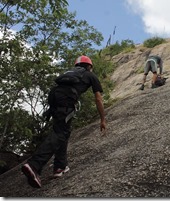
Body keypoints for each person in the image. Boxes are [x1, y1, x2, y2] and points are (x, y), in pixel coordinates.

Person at [21, 55, 106, 188]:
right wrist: (103, 119)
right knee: (60, 133)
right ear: (89, 66)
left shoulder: (69, 73)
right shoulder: (90, 75)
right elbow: (98, 99)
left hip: (54, 97)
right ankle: (34, 165)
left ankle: (60, 166)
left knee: (63, 131)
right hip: (66, 99)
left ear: (77, 65)